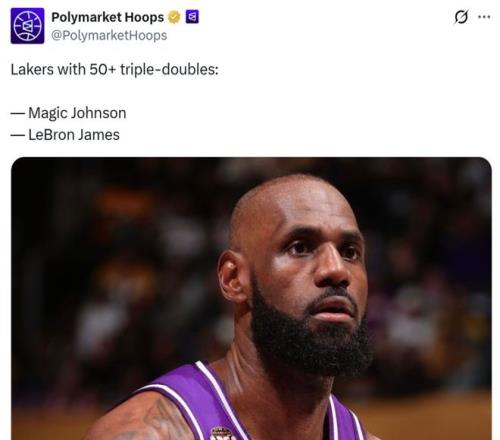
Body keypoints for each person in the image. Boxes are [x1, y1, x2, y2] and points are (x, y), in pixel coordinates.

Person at [85, 174, 380, 440]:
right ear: (233, 278)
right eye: (300, 247)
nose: (336, 269)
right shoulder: (144, 434)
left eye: (350, 252)